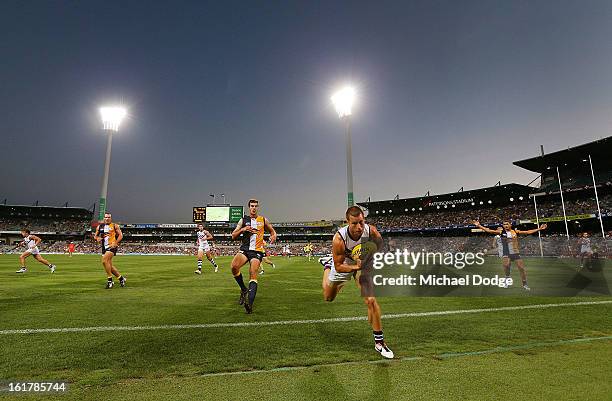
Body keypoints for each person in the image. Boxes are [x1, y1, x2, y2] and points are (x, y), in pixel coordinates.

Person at [318, 206, 394, 359]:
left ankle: (379, 342)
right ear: (347, 222)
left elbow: (379, 243)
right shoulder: (339, 239)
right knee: (328, 297)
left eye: (361, 222)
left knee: (371, 300)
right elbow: (339, 267)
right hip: (344, 264)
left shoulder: (370, 231)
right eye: (354, 224)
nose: (359, 227)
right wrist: (355, 265)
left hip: (362, 264)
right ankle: (327, 265)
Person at [230, 199, 277, 313]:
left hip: (257, 251)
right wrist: (243, 229)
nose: (254, 208)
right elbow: (233, 235)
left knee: (253, 272)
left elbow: (272, 231)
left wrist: (273, 235)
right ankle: (244, 289)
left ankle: (249, 305)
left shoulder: (263, 220)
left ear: (258, 207)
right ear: (249, 207)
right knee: (234, 267)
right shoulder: (243, 220)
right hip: (245, 250)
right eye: (252, 206)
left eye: (256, 206)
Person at [473, 220, 547, 291]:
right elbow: (488, 230)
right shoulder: (501, 232)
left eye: (507, 224)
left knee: (521, 268)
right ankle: (507, 278)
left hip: (515, 252)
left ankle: (524, 284)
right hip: (506, 252)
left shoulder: (515, 231)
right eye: (504, 224)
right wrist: (479, 225)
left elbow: (528, 232)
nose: (506, 225)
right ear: (503, 226)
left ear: (510, 225)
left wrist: (539, 229)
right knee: (506, 266)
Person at [94, 212, 126, 289]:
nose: (107, 218)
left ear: (110, 218)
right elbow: (95, 236)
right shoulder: (99, 227)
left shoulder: (115, 226)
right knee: (110, 266)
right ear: (104, 218)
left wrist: (115, 242)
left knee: (104, 261)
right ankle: (121, 278)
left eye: (108, 217)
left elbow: (121, 235)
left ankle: (110, 280)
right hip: (104, 247)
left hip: (112, 246)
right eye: (106, 217)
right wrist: (97, 238)